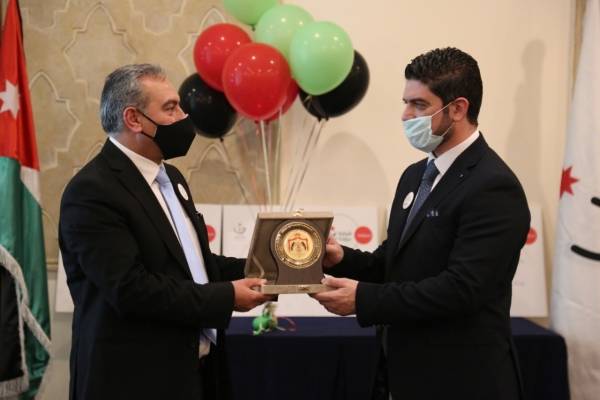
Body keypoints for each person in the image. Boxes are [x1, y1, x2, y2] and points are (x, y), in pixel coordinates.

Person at [314, 48, 530, 400]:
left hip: (462, 380)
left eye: (419, 105)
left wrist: (364, 300)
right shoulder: (415, 175)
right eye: (406, 103)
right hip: (403, 372)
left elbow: (461, 289)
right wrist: (342, 259)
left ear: (457, 109)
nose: (405, 115)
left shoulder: (493, 186)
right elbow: (395, 262)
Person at [59, 64, 271, 400]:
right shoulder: (93, 190)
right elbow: (131, 288)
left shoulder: (171, 178)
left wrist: (263, 267)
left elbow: (192, 263)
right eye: (171, 108)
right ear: (134, 119)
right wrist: (227, 297)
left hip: (191, 373)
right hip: (133, 380)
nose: (184, 117)